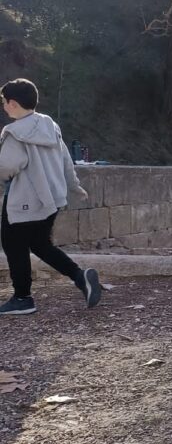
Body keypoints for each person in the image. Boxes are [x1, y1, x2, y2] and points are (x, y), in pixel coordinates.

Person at [0, 79, 102, 316]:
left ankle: (23, 298)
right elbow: (66, 159)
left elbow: (6, 167)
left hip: (23, 201)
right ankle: (80, 277)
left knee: (13, 244)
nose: (4, 107)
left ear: (13, 104)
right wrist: (74, 186)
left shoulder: (14, 133)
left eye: (4, 102)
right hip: (52, 200)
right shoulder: (50, 125)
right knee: (39, 244)